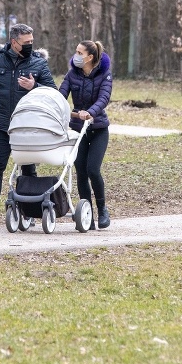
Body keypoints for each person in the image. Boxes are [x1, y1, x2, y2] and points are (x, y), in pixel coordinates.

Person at [0, 24, 56, 227]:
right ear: (14, 42)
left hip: (26, 127)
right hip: (0, 125)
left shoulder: (38, 64)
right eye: (26, 42)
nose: (30, 45)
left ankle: (30, 213)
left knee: (28, 170)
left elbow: (55, 93)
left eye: (32, 42)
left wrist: (35, 86)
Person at [59, 40, 112, 229]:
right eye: (76, 52)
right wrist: (56, 104)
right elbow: (61, 94)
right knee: (81, 171)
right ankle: (85, 214)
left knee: (93, 170)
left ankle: (102, 209)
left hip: (97, 128)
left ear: (90, 57)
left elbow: (104, 98)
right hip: (77, 129)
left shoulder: (104, 74)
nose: (76, 56)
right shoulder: (72, 73)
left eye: (80, 53)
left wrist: (90, 112)